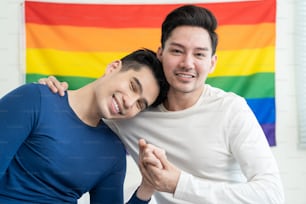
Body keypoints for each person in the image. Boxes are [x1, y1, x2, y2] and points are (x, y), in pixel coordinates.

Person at [38, 5, 285, 204]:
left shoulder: (231, 109)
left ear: (212, 63)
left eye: (199, 54)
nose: (187, 63)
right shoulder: (133, 109)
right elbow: (81, 113)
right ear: (161, 53)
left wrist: (178, 184)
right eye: (177, 51)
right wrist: (53, 93)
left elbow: (272, 195)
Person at [0, 49, 169, 204]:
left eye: (140, 104)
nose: (129, 102)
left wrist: (147, 187)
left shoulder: (112, 153)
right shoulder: (36, 99)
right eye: (132, 86)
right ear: (113, 68)